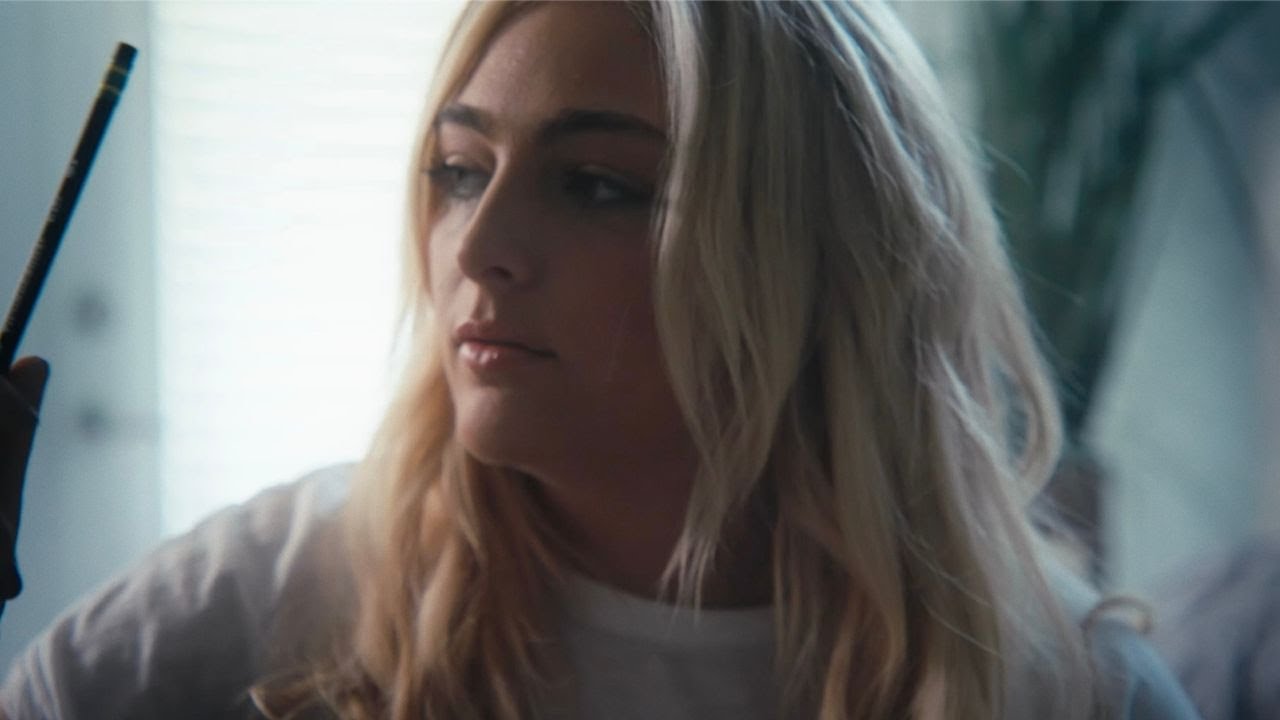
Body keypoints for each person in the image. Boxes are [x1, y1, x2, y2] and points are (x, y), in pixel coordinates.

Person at [0, 2, 1201, 719]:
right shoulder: (280, 592)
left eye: (596, 186)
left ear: (812, 257)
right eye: (460, 170)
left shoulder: (1062, 687)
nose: (480, 245)